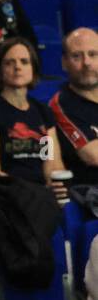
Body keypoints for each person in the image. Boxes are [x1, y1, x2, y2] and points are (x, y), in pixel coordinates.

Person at [0, 38, 67, 196]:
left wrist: (54, 184)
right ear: (0, 71)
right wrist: (23, 191)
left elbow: (50, 161)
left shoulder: (42, 113)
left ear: (33, 69)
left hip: (41, 195)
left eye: (24, 62)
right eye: (9, 63)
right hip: (7, 192)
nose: (17, 67)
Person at [49, 27, 98, 188]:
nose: (87, 63)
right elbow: (93, 156)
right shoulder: (61, 104)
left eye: (93, 54)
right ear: (64, 63)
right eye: (77, 56)